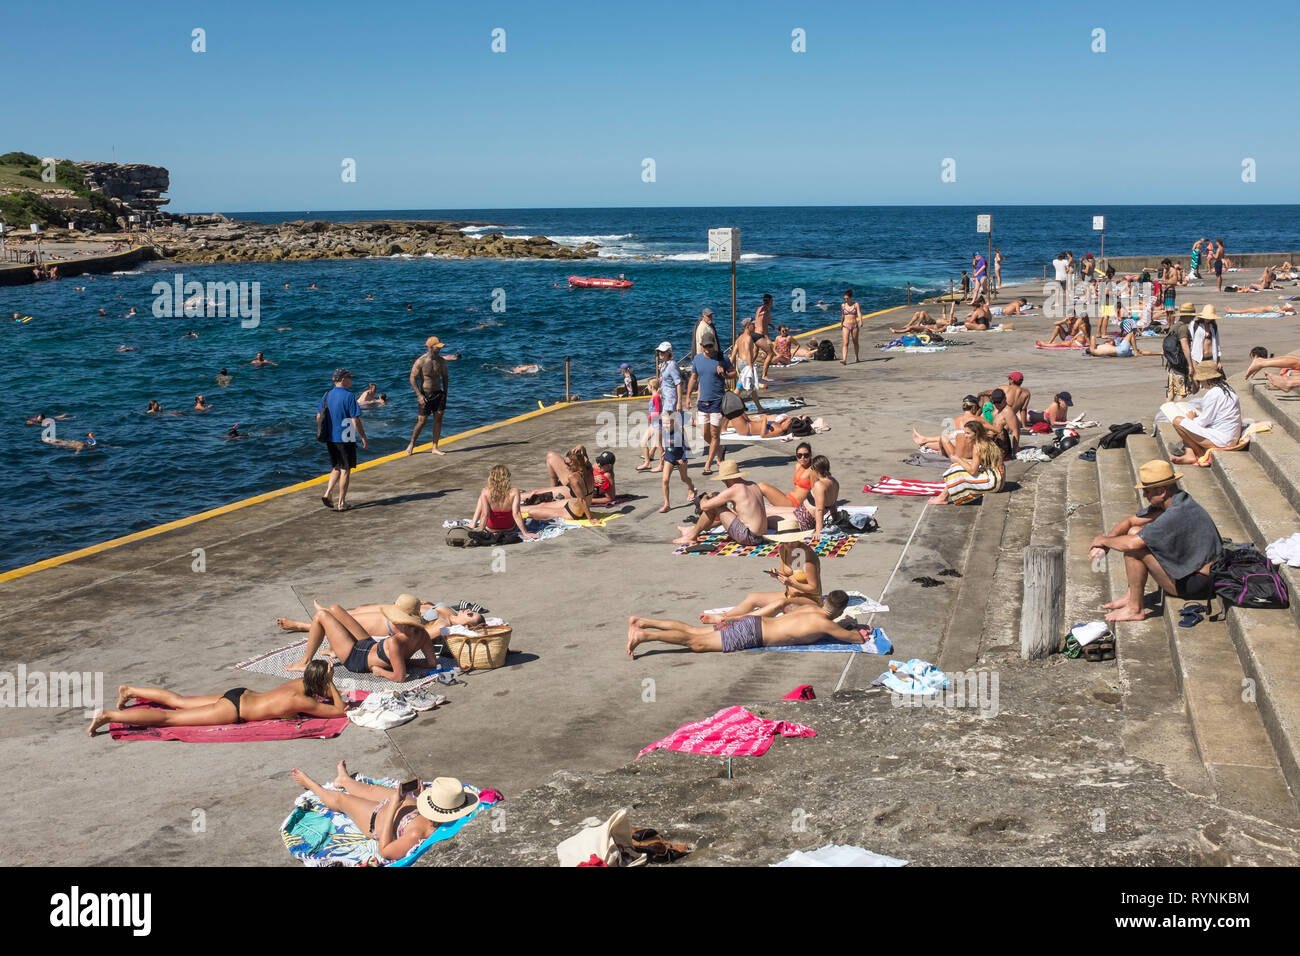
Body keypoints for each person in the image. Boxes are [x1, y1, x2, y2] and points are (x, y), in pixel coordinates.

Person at [1090, 460, 1222, 622]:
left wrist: (1102, 540)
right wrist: (1107, 541)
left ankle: (1135, 609)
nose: (1144, 495)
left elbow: (1132, 544)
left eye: (1147, 491)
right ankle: (1132, 595)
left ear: (1161, 491)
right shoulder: (1178, 500)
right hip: (1194, 573)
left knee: (1135, 548)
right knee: (1134, 532)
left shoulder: (1176, 513)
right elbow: (1130, 522)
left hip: (1198, 583)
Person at [88, 660, 346, 736]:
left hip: (239, 694)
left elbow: (320, 690)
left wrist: (325, 680)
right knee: (169, 718)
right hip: (233, 710)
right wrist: (331, 683)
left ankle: (131, 690)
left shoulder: (298, 684)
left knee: (179, 701)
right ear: (322, 681)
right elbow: (339, 711)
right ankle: (110, 715)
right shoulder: (302, 701)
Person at [290, 765, 479, 863]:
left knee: (341, 800)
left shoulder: (416, 834)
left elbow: (385, 851)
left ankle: (312, 785)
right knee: (370, 790)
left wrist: (393, 806)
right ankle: (345, 780)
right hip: (408, 807)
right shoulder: (456, 818)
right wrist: (419, 797)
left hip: (378, 818)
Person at [626, 591, 866, 657]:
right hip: (753, 634)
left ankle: (644, 621)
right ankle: (645, 636)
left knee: (692, 631)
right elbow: (857, 639)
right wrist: (850, 624)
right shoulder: (826, 624)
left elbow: (786, 603)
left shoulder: (811, 609)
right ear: (840, 609)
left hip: (754, 621)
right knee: (695, 643)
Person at [287, 594, 440, 680]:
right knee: (335, 609)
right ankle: (334, 649)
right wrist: (407, 661)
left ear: (402, 622)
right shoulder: (423, 635)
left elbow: (399, 677)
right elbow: (432, 663)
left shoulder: (395, 641)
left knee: (321, 615)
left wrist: (381, 672)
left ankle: (305, 661)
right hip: (369, 645)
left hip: (356, 658)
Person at [700, 542, 824, 621]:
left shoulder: (807, 556)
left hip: (811, 599)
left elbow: (815, 589)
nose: (789, 545)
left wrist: (791, 584)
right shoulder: (783, 549)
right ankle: (724, 616)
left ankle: (732, 621)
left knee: (780, 603)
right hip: (790, 594)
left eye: (792, 541)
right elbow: (787, 573)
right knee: (753, 597)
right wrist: (777, 574)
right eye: (786, 542)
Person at [276, 598, 485, 638]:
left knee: (345, 622)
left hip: (391, 623)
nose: (468, 611)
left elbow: (420, 636)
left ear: (470, 625)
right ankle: (321, 618)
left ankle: (304, 626)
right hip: (396, 609)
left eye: (471, 615)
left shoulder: (445, 625)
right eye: (471, 611)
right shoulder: (450, 611)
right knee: (355, 610)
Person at [674, 459, 767, 547]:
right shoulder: (753, 485)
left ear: (727, 478)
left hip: (748, 537)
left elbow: (704, 507)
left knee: (714, 507)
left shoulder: (734, 490)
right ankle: (691, 531)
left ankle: (691, 536)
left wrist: (705, 497)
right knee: (721, 506)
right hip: (760, 536)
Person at [317, 368, 368, 512]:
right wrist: (363, 437)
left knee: (336, 467)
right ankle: (341, 503)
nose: (351, 380)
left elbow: (318, 417)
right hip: (346, 437)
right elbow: (355, 420)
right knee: (345, 469)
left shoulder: (326, 395)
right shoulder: (349, 396)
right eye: (350, 378)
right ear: (343, 379)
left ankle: (327, 493)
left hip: (330, 438)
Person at [1169, 368, 1242, 464]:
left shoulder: (1213, 393)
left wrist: (1191, 419)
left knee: (1178, 421)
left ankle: (1199, 454)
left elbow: (1202, 422)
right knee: (1187, 425)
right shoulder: (1227, 389)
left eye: (1200, 380)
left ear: (1206, 379)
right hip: (1230, 436)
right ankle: (1190, 454)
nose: (1200, 383)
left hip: (1222, 439)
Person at [686, 331, 733, 474]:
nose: (708, 349)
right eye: (705, 346)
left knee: (714, 434)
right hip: (702, 401)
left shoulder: (721, 358)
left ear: (714, 344)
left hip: (717, 401)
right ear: (701, 346)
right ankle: (720, 450)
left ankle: (708, 465)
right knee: (704, 433)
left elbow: (733, 373)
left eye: (710, 346)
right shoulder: (697, 359)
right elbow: (693, 378)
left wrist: (724, 373)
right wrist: (687, 396)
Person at [656, 341, 695, 513]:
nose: (660, 354)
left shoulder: (672, 366)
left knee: (675, 429)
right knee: (666, 430)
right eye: (659, 352)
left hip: (672, 403)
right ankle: (667, 503)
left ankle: (682, 454)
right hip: (667, 402)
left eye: (663, 352)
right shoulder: (664, 365)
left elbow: (679, 383)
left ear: (669, 353)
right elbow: (667, 382)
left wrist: (680, 401)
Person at [929, 420, 1005, 505]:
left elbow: (973, 471)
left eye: (968, 433)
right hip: (998, 479)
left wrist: (959, 459)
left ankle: (943, 497)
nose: (965, 436)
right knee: (957, 466)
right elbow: (979, 462)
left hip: (994, 483)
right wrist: (961, 461)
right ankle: (943, 496)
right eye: (965, 433)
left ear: (976, 434)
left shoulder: (978, 447)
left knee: (956, 471)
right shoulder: (986, 441)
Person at [524, 445, 595, 521]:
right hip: (574, 506)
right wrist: (581, 447)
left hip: (573, 513)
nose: (567, 467)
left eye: (569, 464)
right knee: (542, 505)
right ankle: (513, 508)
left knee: (531, 512)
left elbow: (582, 500)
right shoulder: (588, 468)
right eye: (565, 463)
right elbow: (584, 454)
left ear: (577, 463)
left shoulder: (573, 477)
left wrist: (590, 519)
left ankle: (513, 510)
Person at [405, 336, 450, 456]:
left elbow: (445, 376)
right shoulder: (421, 361)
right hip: (425, 394)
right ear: (430, 347)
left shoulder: (441, 361)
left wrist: (445, 392)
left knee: (438, 419)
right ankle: (412, 443)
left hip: (439, 393)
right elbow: (412, 378)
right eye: (437, 347)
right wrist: (419, 395)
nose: (439, 349)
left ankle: (435, 447)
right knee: (422, 421)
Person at [912, 396, 982, 459]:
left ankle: (925, 441)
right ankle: (925, 441)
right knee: (951, 438)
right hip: (964, 444)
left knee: (947, 437)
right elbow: (992, 429)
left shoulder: (956, 419)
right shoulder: (978, 419)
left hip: (957, 443)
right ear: (974, 408)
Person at [757, 442, 815, 508]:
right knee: (758, 488)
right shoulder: (798, 465)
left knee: (762, 486)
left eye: (806, 455)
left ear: (810, 455)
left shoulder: (813, 469)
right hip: (788, 498)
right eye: (799, 455)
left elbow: (817, 491)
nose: (802, 458)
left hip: (794, 504)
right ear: (796, 456)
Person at [728, 318, 766, 411]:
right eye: (753, 325)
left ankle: (759, 408)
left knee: (751, 387)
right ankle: (727, 405)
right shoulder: (748, 338)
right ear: (748, 326)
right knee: (740, 387)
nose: (755, 326)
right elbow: (748, 352)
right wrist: (750, 365)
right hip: (746, 364)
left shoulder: (739, 338)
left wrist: (730, 366)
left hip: (740, 363)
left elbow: (733, 353)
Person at [1167, 302, 1198, 401]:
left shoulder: (1174, 326)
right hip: (1180, 364)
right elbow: (1185, 347)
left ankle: (1166, 413)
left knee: (1171, 392)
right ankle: (1179, 413)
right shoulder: (1183, 328)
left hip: (1172, 363)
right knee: (1182, 393)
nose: (1192, 318)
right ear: (1188, 316)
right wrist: (1190, 365)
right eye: (1192, 316)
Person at [637, 375, 662, 471]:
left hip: (657, 424)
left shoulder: (656, 397)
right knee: (643, 441)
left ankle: (662, 464)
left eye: (648, 386)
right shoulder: (654, 396)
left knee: (659, 446)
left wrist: (650, 416)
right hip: (653, 424)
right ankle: (647, 463)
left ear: (652, 387)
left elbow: (658, 410)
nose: (647, 388)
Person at [1086, 329, 1160, 358]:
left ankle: (1160, 353)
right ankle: (1136, 352)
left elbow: (1110, 345)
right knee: (1131, 334)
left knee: (1141, 351)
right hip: (1120, 349)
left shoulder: (1099, 350)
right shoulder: (1093, 350)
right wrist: (1090, 343)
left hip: (1120, 353)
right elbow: (1093, 337)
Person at [753, 294, 776, 380]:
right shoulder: (766, 311)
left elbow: (759, 321)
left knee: (755, 354)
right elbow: (764, 327)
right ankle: (764, 376)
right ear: (770, 301)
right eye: (772, 301)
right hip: (759, 335)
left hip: (754, 334)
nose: (773, 302)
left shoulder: (759, 308)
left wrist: (770, 324)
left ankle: (747, 369)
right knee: (770, 354)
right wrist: (768, 339)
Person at [840, 289, 862, 365]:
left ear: (850, 297)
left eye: (847, 298)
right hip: (845, 326)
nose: (845, 300)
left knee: (855, 342)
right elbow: (843, 315)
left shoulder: (856, 304)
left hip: (854, 325)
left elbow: (859, 313)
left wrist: (860, 321)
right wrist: (841, 323)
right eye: (844, 299)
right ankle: (844, 359)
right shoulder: (843, 305)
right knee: (845, 343)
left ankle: (857, 357)